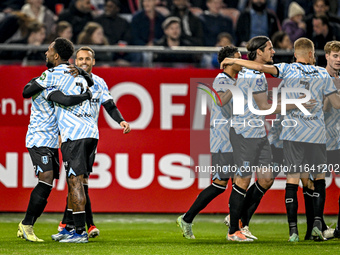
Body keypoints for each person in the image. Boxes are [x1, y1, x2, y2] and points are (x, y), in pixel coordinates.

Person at [220, 37, 340, 242]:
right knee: (308, 181)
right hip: (290, 135)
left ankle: (306, 229)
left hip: (286, 136)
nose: (274, 51)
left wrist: (236, 63)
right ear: (316, 55)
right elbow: (268, 106)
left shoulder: (288, 71)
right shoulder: (319, 74)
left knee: (277, 180)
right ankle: (313, 226)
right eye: (270, 48)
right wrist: (302, 104)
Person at [17, 38, 94, 242]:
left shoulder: (57, 75)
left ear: (56, 55)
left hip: (53, 139)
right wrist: (87, 94)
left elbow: (30, 90)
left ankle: (61, 227)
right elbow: (27, 91)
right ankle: (27, 225)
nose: (46, 53)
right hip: (39, 137)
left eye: (49, 50)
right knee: (46, 181)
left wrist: (83, 76)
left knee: (53, 183)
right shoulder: (51, 77)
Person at [53, 46, 131, 241]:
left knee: (75, 182)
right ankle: (69, 226)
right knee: (79, 182)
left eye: (87, 58)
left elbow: (110, 105)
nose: (84, 62)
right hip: (89, 136)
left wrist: (120, 120)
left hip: (77, 136)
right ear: (74, 61)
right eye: (80, 59)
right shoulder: (83, 80)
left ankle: (78, 232)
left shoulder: (92, 81)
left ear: (93, 61)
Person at [176, 45, 242, 239]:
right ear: (229, 61)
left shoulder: (233, 80)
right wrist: (237, 87)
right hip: (223, 139)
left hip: (235, 138)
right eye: (239, 58)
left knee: (237, 182)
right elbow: (221, 101)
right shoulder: (222, 79)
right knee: (222, 184)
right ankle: (189, 219)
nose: (242, 61)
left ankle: (236, 226)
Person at [323, 41, 340, 239]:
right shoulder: (319, 78)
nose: (338, 59)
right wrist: (331, 91)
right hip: (321, 141)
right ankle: (316, 225)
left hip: (338, 141)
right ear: (326, 56)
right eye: (335, 56)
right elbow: (323, 108)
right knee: (315, 185)